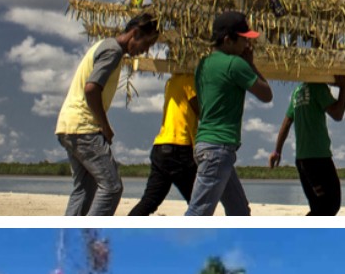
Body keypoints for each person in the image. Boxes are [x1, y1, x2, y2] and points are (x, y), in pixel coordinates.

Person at [55, 12, 161, 216]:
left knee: (85, 190)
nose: (145, 51)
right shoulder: (113, 50)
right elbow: (91, 88)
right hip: (84, 127)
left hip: (68, 125)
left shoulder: (106, 47)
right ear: (135, 33)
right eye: (146, 44)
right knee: (112, 187)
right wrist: (104, 125)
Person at [186, 11, 274, 216]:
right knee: (198, 213)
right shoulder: (236, 64)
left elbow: (199, 105)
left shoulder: (203, 65)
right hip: (219, 148)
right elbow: (267, 94)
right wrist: (251, 64)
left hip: (205, 144)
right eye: (243, 40)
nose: (247, 46)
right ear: (228, 40)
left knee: (240, 211)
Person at [270, 77, 345, 216]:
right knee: (330, 205)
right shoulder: (317, 87)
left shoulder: (298, 91)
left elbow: (287, 122)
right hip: (318, 159)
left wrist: (277, 151)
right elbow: (337, 114)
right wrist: (343, 87)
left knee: (319, 207)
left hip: (303, 161)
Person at [129, 73, 200, 215]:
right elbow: (202, 111)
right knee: (198, 202)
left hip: (161, 147)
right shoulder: (189, 80)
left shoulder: (171, 81)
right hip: (179, 148)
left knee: (150, 201)